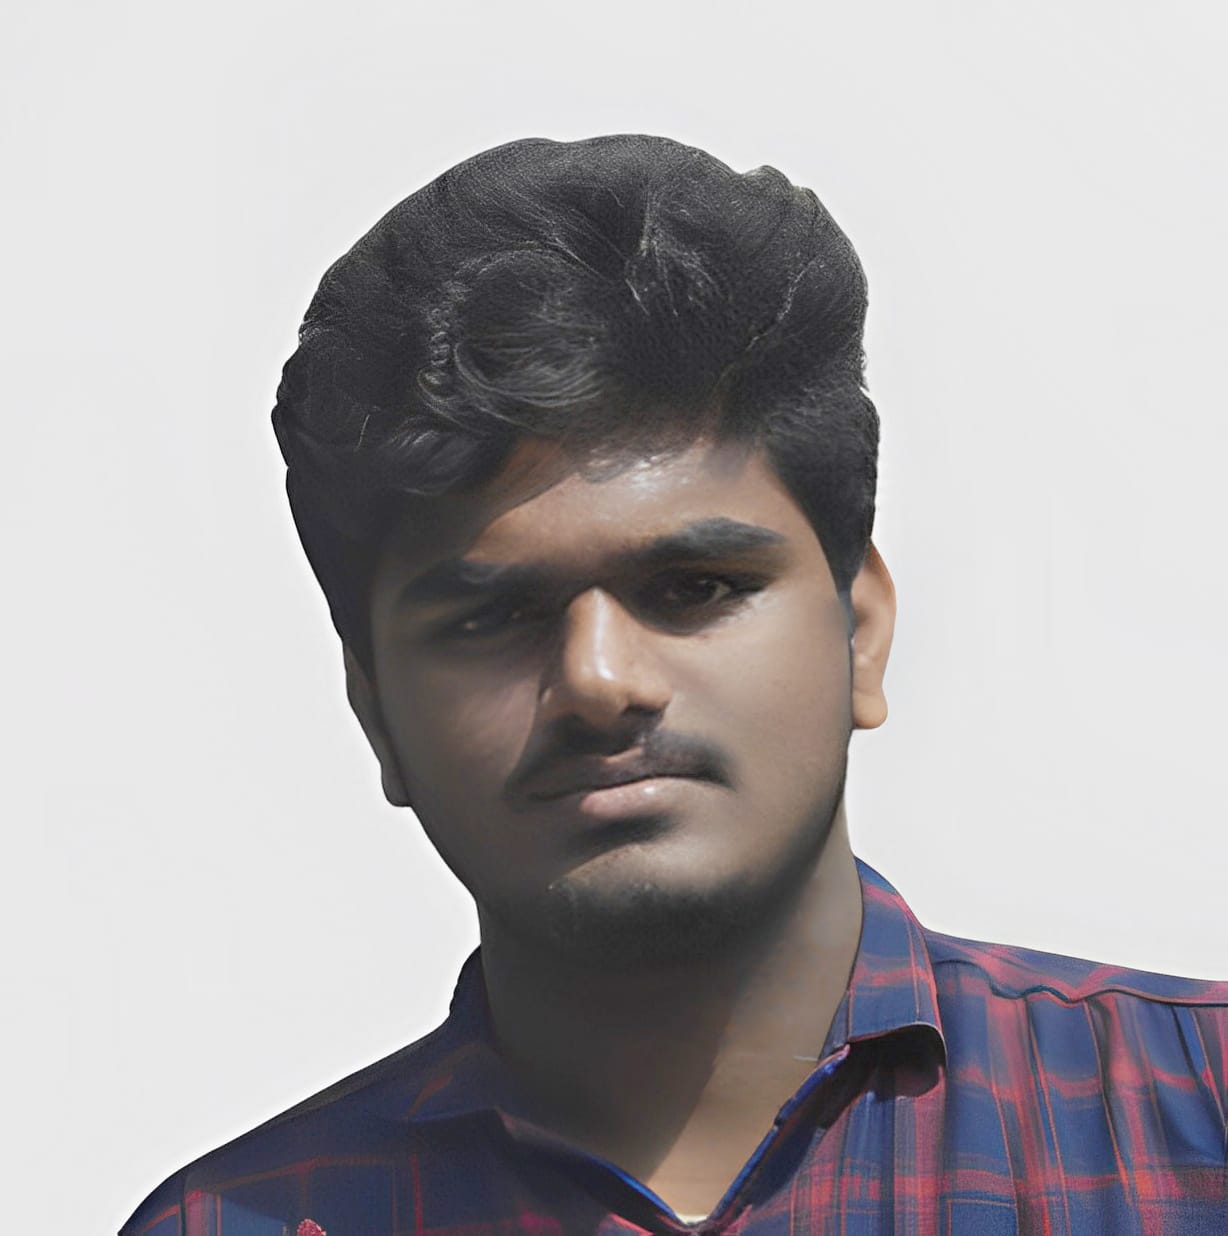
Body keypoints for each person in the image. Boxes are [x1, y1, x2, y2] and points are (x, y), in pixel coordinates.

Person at [120, 135, 1227, 1236]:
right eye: (492, 617)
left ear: (860, 632)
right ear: (377, 719)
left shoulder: (1198, 1113)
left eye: (695, 586)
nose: (599, 681)